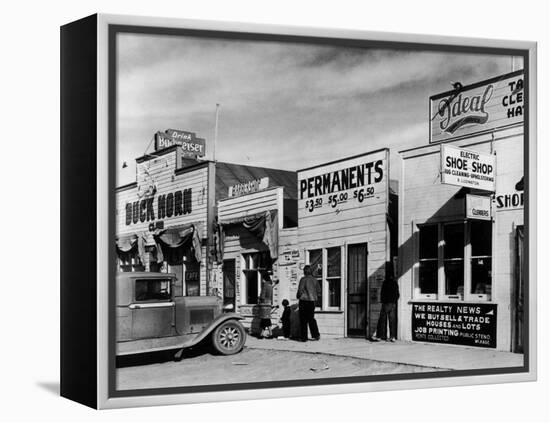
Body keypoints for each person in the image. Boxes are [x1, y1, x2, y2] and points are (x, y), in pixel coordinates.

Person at [371, 262, 400, 342]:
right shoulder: (395, 283)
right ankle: (392, 336)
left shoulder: (385, 283)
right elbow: (398, 294)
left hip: (386, 303)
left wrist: (383, 301)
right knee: (392, 320)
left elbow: (382, 293)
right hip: (392, 303)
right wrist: (394, 301)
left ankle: (380, 336)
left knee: (382, 320)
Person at [296, 265, 320, 342]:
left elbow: (300, 291)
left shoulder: (303, 279)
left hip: (304, 300)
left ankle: (304, 337)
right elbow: (319, 290)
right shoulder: (315, 280)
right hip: (312, 301)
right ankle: (316, 335)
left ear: (304, 272)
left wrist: (298, 296)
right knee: (311, 319)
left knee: (303, 320)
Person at [259, 272, 274, 338]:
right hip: (269, 303)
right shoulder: (270, 285)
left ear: (264, 279)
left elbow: (262, 296)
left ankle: (266, 334)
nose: (262, 280)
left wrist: (259, 297)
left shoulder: (265, 285)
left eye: (262, 278)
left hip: (264, 304)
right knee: (266, 320)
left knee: (265, 320)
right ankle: (263, 334)